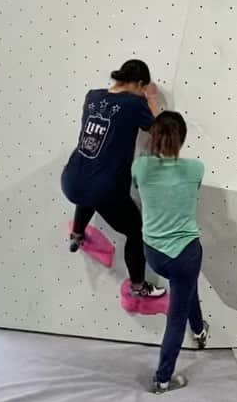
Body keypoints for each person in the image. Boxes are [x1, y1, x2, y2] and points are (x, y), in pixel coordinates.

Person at [61, 59, 165, 299]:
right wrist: (150, 99)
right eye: (142, 87)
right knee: (136, 231)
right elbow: (161, 129)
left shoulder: (92, 96)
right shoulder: (134, 103)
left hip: (70, 180)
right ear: (139, 83)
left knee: (88, 181)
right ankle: (139, 287)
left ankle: (77, 234)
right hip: (104, 190)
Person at [132, 111, 209, 392]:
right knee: (177, 317)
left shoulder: (141, 168)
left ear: (153, 137)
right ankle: (163, 379)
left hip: (154, 254)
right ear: (183, 139)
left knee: (187, 288)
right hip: (186, 253)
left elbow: (140, 187)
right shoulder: (196, 168)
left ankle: (199, 331)